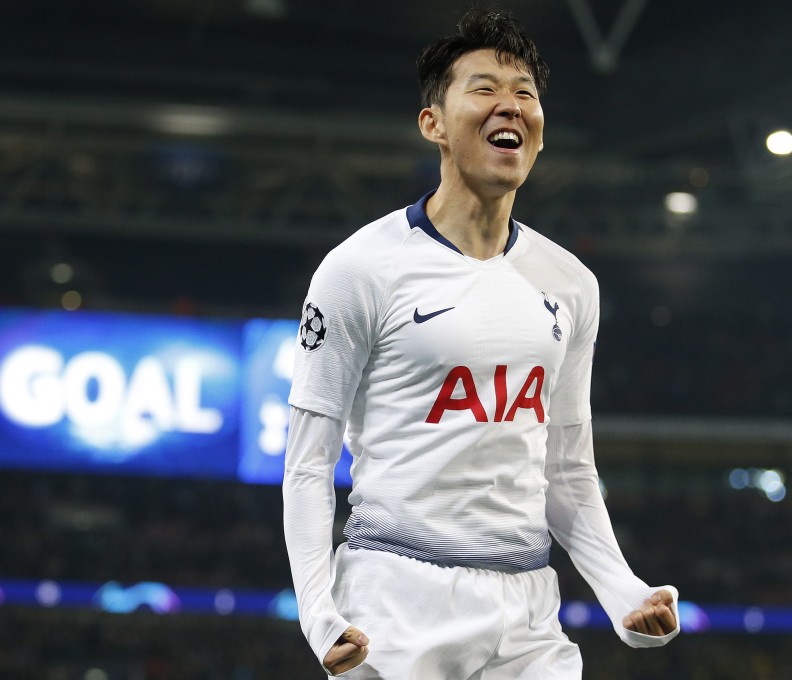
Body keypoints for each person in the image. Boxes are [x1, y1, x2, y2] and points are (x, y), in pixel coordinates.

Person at [283, 7, 679, 678]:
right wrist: (319, 612)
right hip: (396, 600)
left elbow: (567, 469)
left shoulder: (572, 283)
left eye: (525, 91)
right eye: (486, 88)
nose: (512, 105)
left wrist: (623, 592)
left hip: (528, 607)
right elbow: (307, 466)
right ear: (432, 123)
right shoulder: (359, 269)